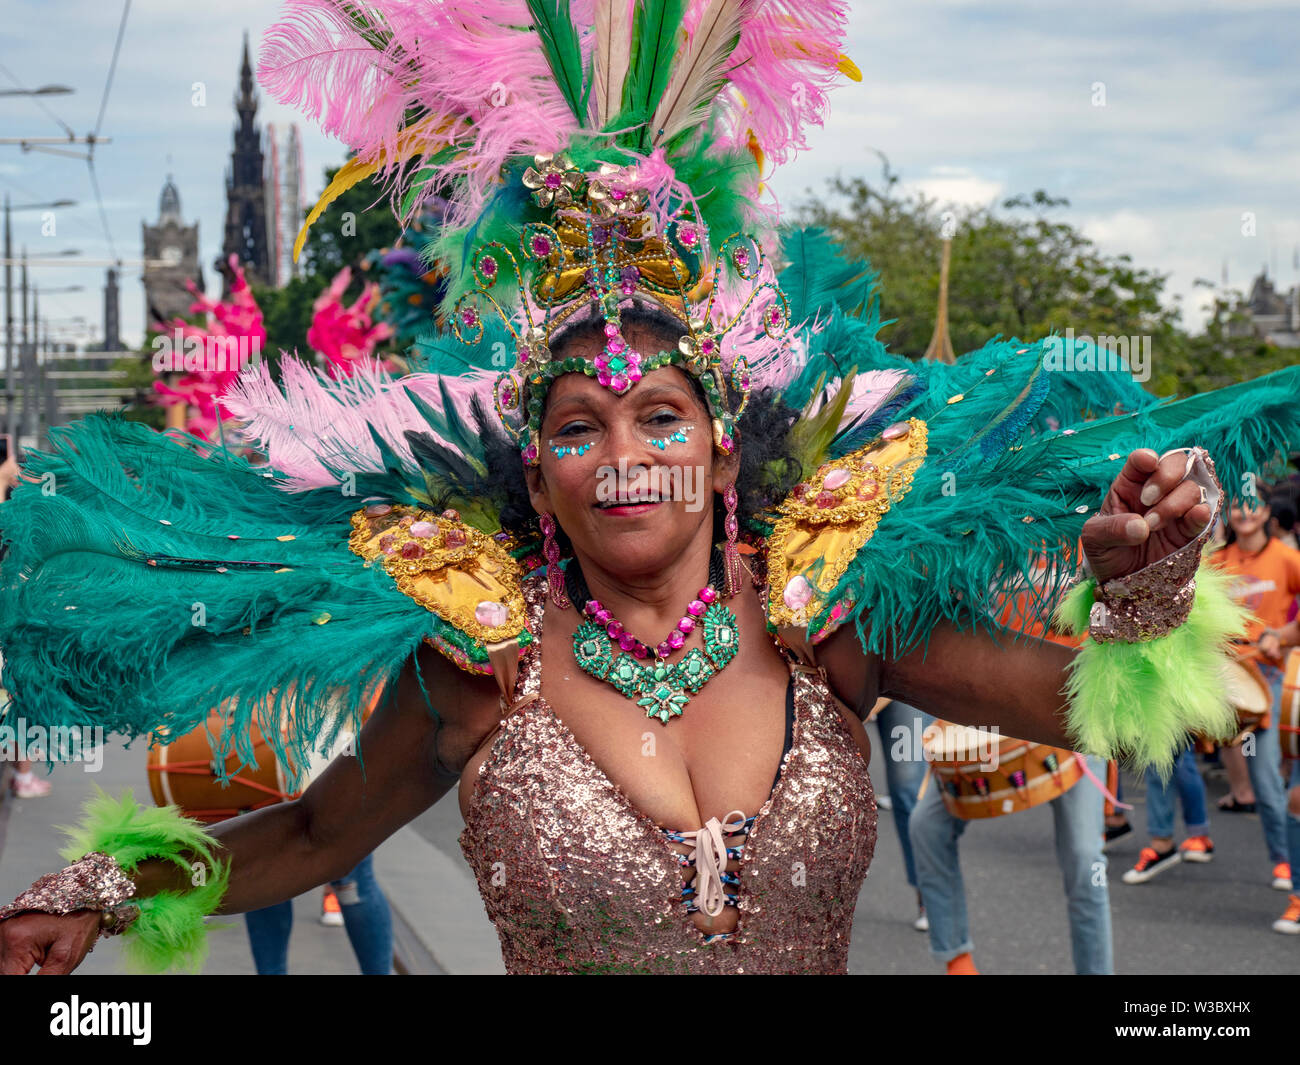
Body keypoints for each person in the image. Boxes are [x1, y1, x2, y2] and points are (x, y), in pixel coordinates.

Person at [0, 0, 1298, 977]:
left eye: (660, 415)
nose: (623, 451)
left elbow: (1111, 719)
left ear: (725, 448)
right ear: (538, 474)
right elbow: (306, 837)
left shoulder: (824, 626)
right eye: (577, 427)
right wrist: (99, 886)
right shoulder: (482, 663)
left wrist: (1146, 589)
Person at [909, 578, 1114, 975]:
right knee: (926, 827)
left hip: (1071, 714)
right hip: (991, 713)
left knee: (1086, 859)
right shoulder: (974, 534)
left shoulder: (1081, 529)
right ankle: (958, 961)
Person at [1209, 488, 1300, 894]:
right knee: (1174, 763)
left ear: (1266, 513)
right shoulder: (1216, 562)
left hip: (1271, 680)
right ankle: (1177, 836)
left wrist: (1279, 636)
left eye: (1253, 504)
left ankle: (1285, 863)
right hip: (1226, 681)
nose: (1244, 512)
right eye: (1237, 505)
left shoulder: (1286, 558)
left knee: (1266, 782)